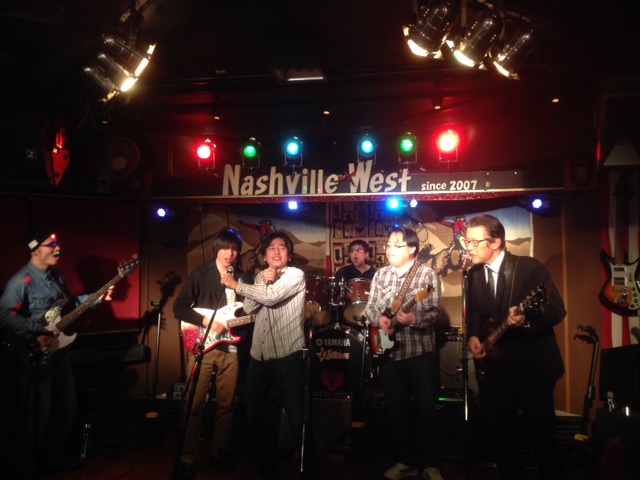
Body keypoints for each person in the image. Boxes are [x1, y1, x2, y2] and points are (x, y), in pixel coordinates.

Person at [0, 227, 113, 480]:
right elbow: (4, 313)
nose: (57, 249)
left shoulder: (56, 276)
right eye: (51, 246)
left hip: (59, 351)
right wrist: (36, 331)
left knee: (66, 408)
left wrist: (96, 298)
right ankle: (26, 469)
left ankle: (53, 458)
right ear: (34, 250)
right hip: (34, 353)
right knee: (35, 415)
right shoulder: (21, 281)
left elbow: (69, 305)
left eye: (57, 244)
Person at [464, 214, 567, 480]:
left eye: (475, 242)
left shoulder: (529, 268)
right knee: (501, 441)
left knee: (542, 439)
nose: (469, 247)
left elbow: (557, 309)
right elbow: (474, 313)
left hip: (533, 369)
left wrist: (527, 319)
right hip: (495, 372)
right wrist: (473, 337)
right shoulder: (473, 275)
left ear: (496, 242)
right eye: (467, 241)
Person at [221, 231, 317, 480]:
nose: (276, 251)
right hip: (259, 356)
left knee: (297, 417)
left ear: (289, 255)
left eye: (282, 247)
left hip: (287, 355)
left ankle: (310, 471)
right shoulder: (260, 275)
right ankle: (267, 470)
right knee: (256, 417)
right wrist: (261, 281)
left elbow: (272, 298)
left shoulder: (295, 274)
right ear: (264, 256)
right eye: (271, 248)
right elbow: (249, 307)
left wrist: (236, 285)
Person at [363, 226, 444, 480]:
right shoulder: (381, 275)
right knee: (397, 412)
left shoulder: (426, 275)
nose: (389, 249)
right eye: (388, 245)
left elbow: (432, 311)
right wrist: (380, 320)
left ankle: (430, 464)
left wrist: (413, 318)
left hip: (420, 355)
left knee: (426, 412)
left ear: (412, 249)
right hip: (390, 354)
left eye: (396, 245)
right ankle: (405, 461)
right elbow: (370, 308)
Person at [173, 228, 252, 479]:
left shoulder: (243, 278)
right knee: (194, 404)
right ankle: (187, 458)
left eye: (234, 249)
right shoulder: (200, 275)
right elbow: (179, 308)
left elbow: (248, 312)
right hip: (203, 347)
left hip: (231, 349)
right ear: (217, 248)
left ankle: (219, 452)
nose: (230, 253)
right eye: (225, 248)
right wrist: (208, 322)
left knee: (226, 406)